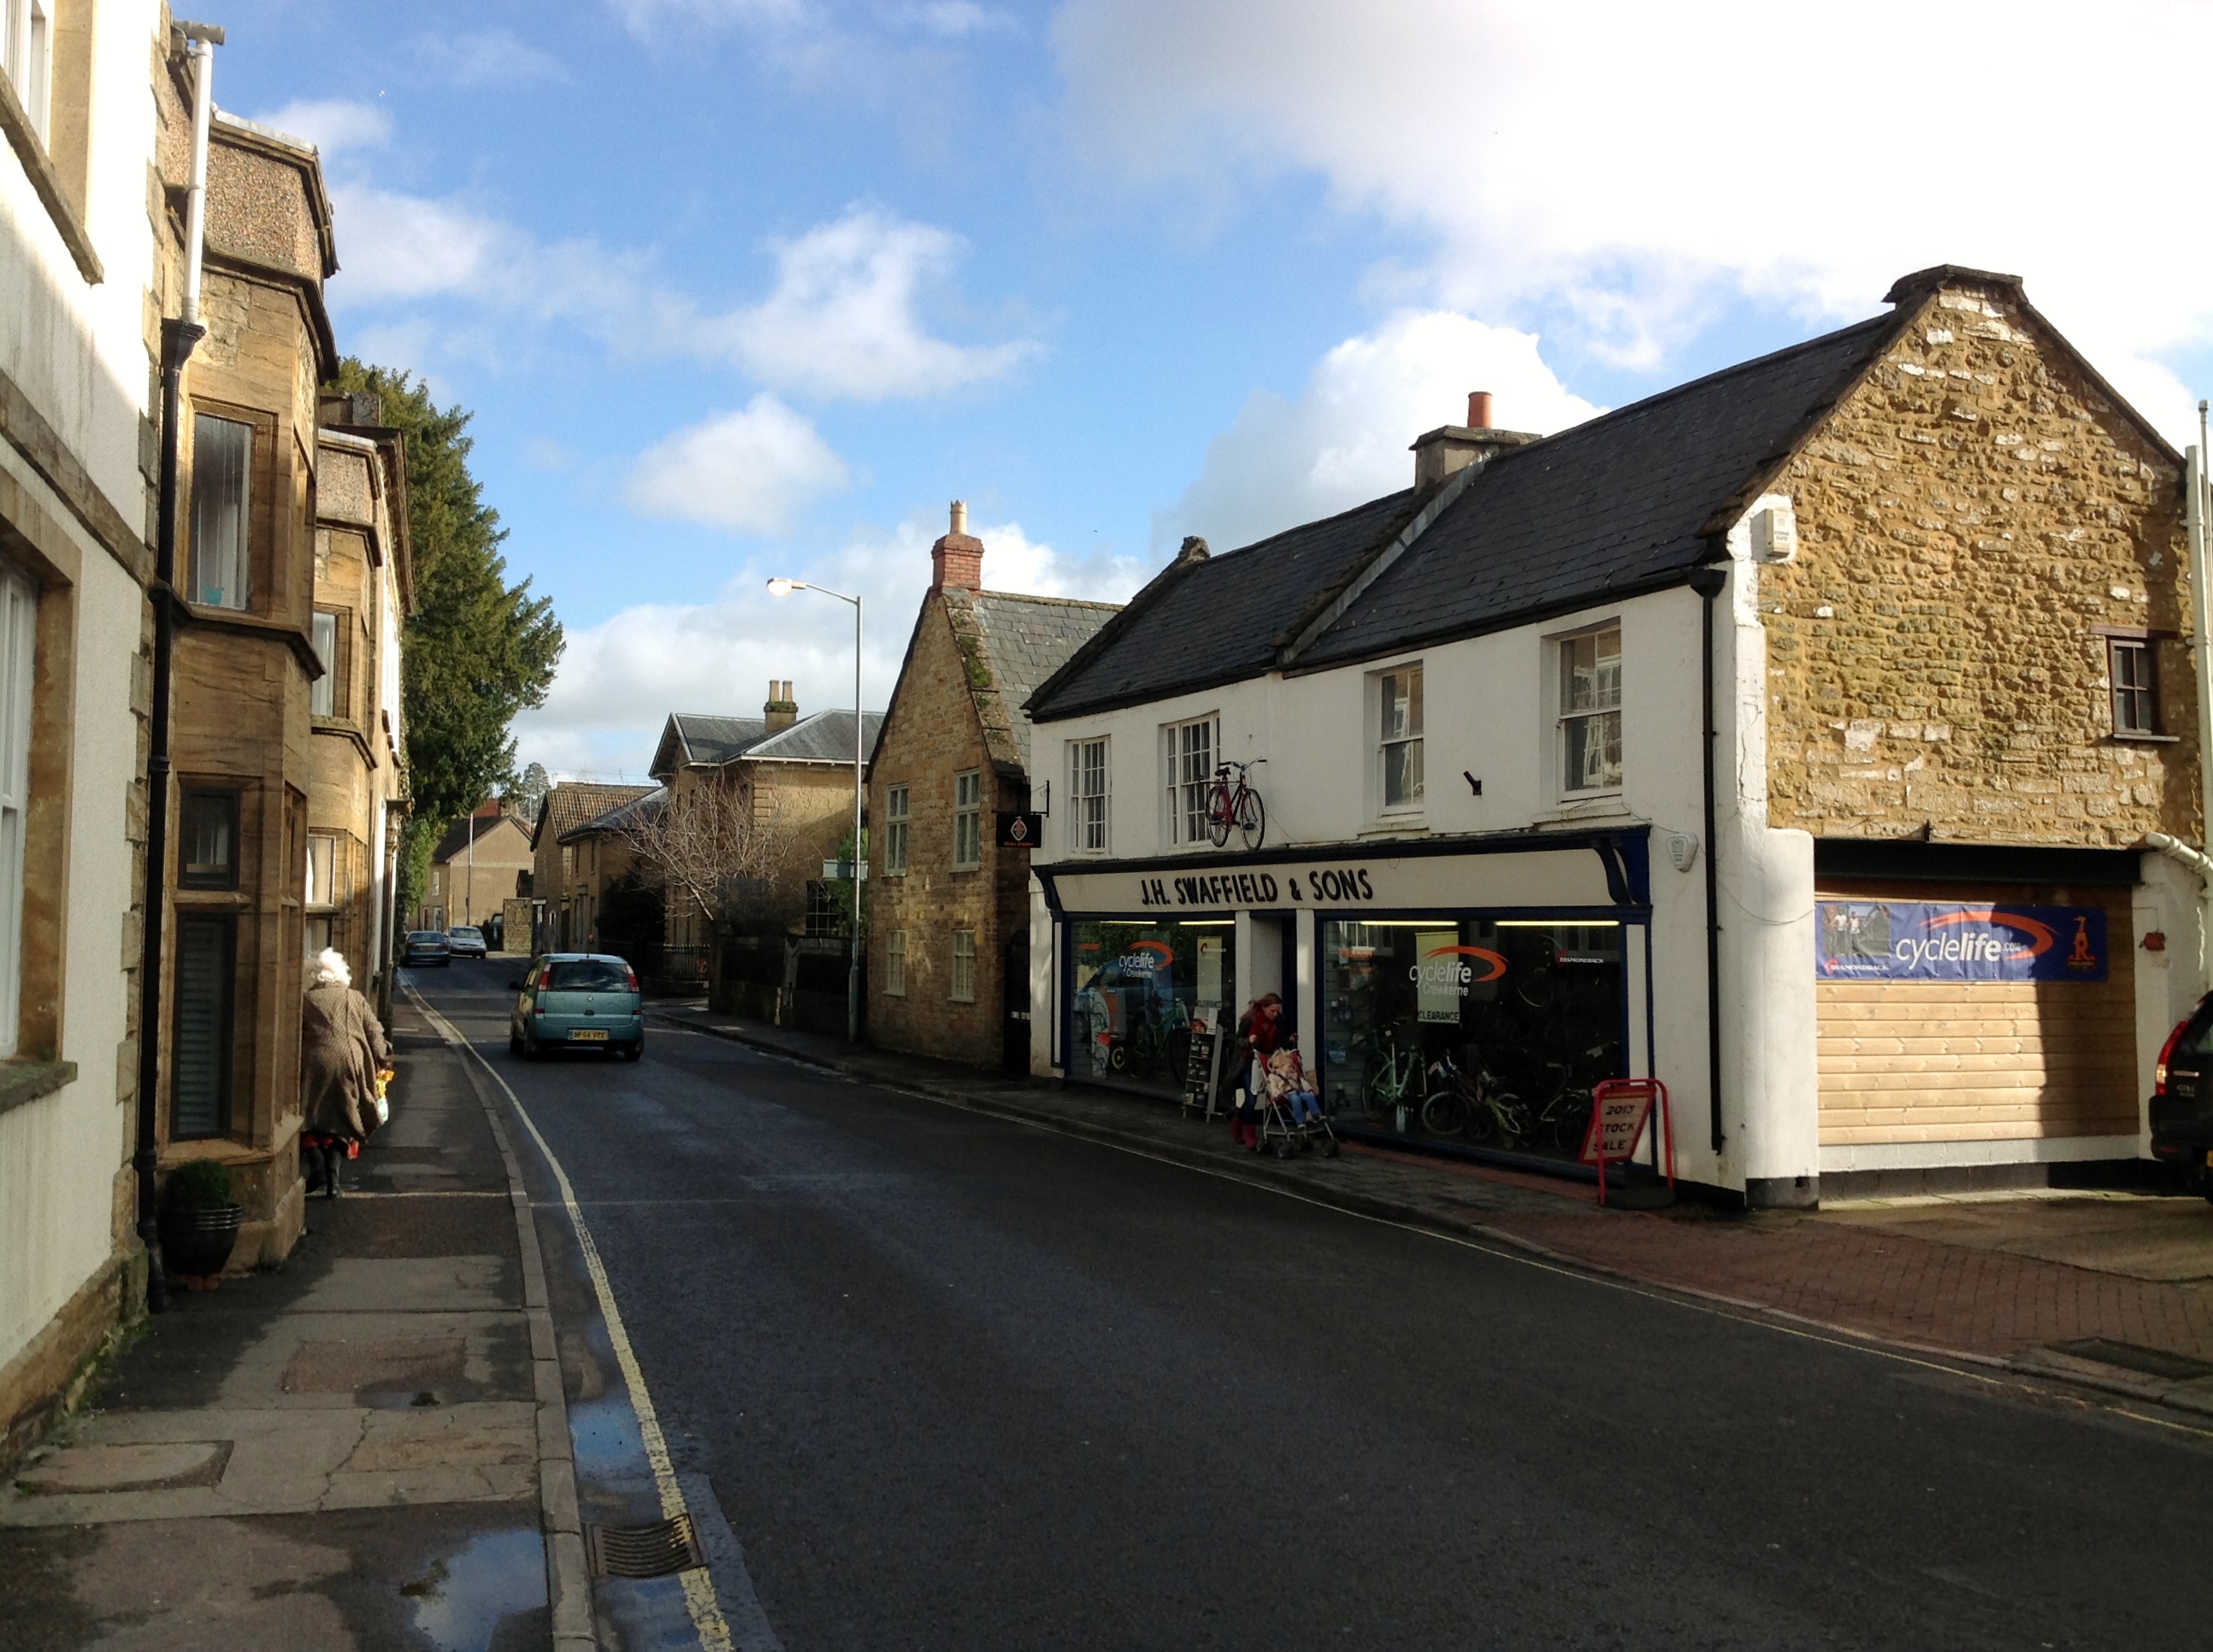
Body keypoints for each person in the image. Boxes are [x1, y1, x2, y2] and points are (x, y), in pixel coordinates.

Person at [299, 948, 390, 1197]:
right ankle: (334, 1185)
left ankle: (317, 1169)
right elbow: (374, 1032)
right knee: (342, 1121)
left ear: (314, 976)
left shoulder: (306, 1000)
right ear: (341, 975)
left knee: (309, 1117)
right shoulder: (355, 998)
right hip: (350, 1065)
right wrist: (384, 1059)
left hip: (314, 1065)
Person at [1228, 993, 1283, 1149]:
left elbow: (1279, 1039)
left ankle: (1237, 1124)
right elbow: (1238, 1039)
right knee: (1252, 1097)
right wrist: (1249, 1041)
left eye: (1277, 1011)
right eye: (1272, 1011)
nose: (1275, 1014)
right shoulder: (1250, 1020)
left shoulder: (1277, 1021)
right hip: (1248, 1061)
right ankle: (1250, 1134)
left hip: (1267, 1061)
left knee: (1261, 1096)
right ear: (1264, 1008)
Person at [1266, 1042, 1324, 1126]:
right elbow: (1273, 1087)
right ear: (1280, 1066)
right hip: (1286, 1094)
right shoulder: (1273, 1076)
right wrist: (1277, 1094)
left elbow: (1302, 1082)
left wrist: (1309, 1090)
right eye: (1290, 1066)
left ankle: (1316, 1114)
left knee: (1308, 1096)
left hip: (1298, 1092)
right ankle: (1300, 1121)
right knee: (1296, 1099)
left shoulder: (1294, 1074)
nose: (1292, 1068)